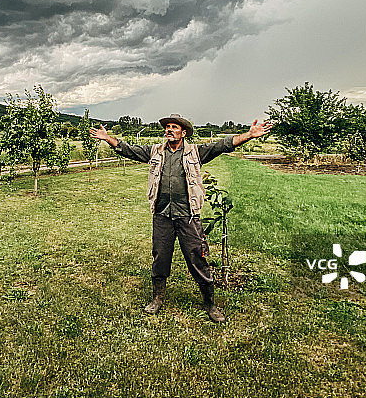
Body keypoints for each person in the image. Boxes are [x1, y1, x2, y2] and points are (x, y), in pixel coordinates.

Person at [90, 114, 273, 323]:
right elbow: (130, 150)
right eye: (167, 127)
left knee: (197, 257)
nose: (169, 130)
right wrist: (108, 138)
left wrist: (249, 135)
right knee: (160, 256)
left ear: (183, 132)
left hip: (188, 216)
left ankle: (210, 303)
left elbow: (223, 145)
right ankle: (157, 298)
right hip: (162, 216)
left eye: (174, 127)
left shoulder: (195, 152)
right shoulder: (156, 151)